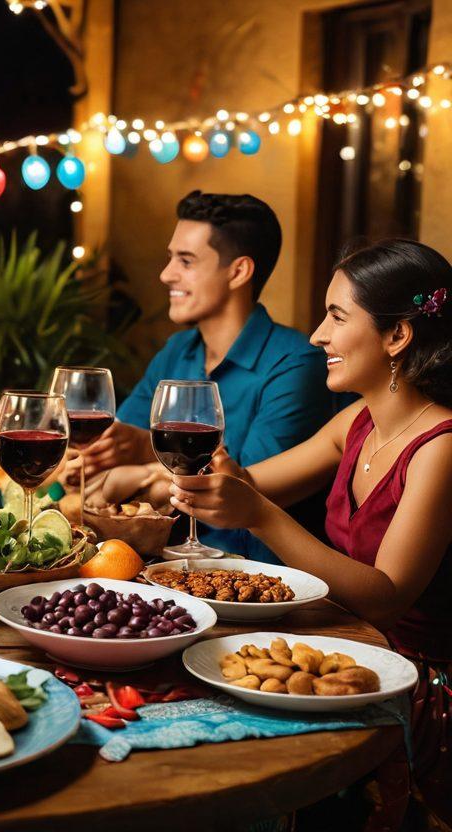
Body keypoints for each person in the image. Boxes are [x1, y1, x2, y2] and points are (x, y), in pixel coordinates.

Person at [170, 239, 452, 821]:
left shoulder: (441, 448)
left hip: (419, 685)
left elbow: (389, 596)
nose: (317, 336)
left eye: (337, 316)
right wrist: (225, 477)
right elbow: (255, 485)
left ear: (398, 336)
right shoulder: (358, 420)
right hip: (341, 646)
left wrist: (257, 513)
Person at [87, 191, 337, 562]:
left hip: (252, 580)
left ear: (238, 271)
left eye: (185, 261)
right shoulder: (177, 350)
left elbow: (237, 491)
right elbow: (111, 455)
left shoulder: (296, 363)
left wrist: (135, 474)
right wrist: (119, 456)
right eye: (171, 257)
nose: (166, 273)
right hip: (161, 565)